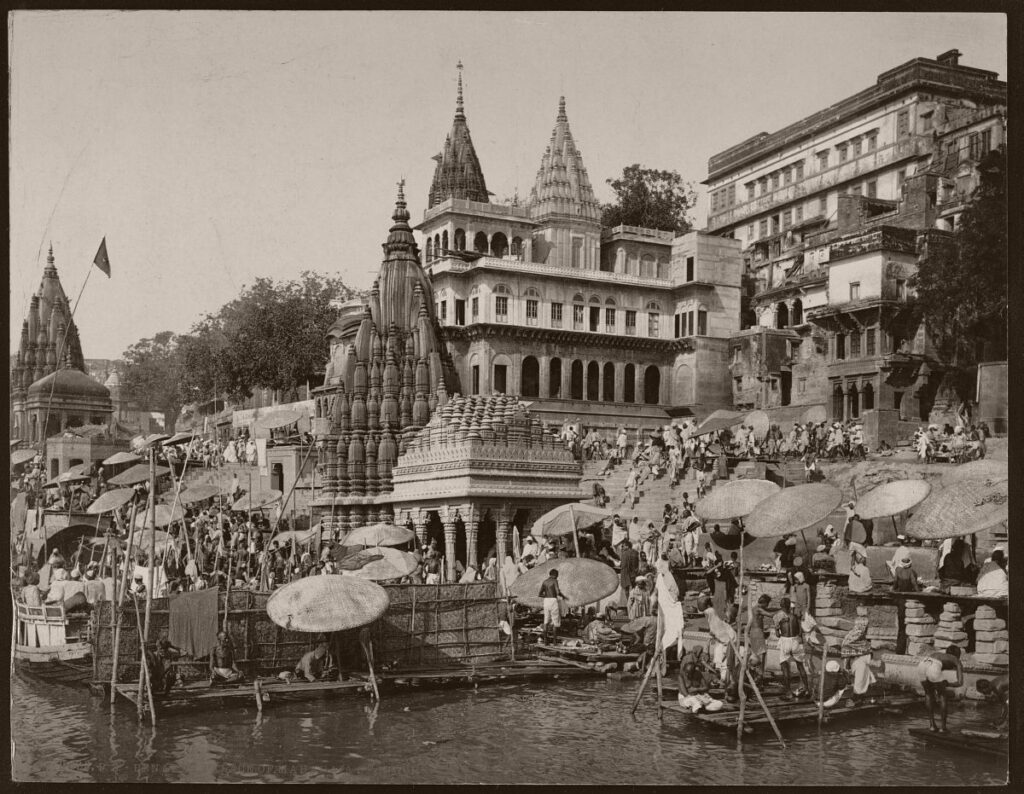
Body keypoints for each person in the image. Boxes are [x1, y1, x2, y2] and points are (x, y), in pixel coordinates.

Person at [774, 597, 811, 699]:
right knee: (800, 666)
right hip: (795, 641)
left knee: (785, 666)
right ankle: (807, 690)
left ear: (781, 606)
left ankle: (789, 692)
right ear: (789, 606)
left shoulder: (778, 617)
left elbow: (777, 634)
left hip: (785, 641)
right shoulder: (796, 617)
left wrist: (777, 630)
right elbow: (800, 633)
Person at [919, 646, 963, 733]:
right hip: (934, 667)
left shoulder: (939, 655)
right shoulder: (956, 660)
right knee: (943, 696)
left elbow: (932, 672)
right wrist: (948, 684)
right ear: (958, 655)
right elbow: (960, 682)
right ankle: (943, 728)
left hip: (922, 664)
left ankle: (932, 726)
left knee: (928, 694)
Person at [538, 568, 566, 644]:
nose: (557, 577)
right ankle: (554, 640)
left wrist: (547, 596)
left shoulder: (545, 582)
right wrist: (563, 596)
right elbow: (557, 592)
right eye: (557, 575)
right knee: (555, 621)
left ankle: (545, 640)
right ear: (555, 575)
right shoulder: (555, 581)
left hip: (546, 601)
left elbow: (540, 594)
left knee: (546, 621)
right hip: (553, 601)